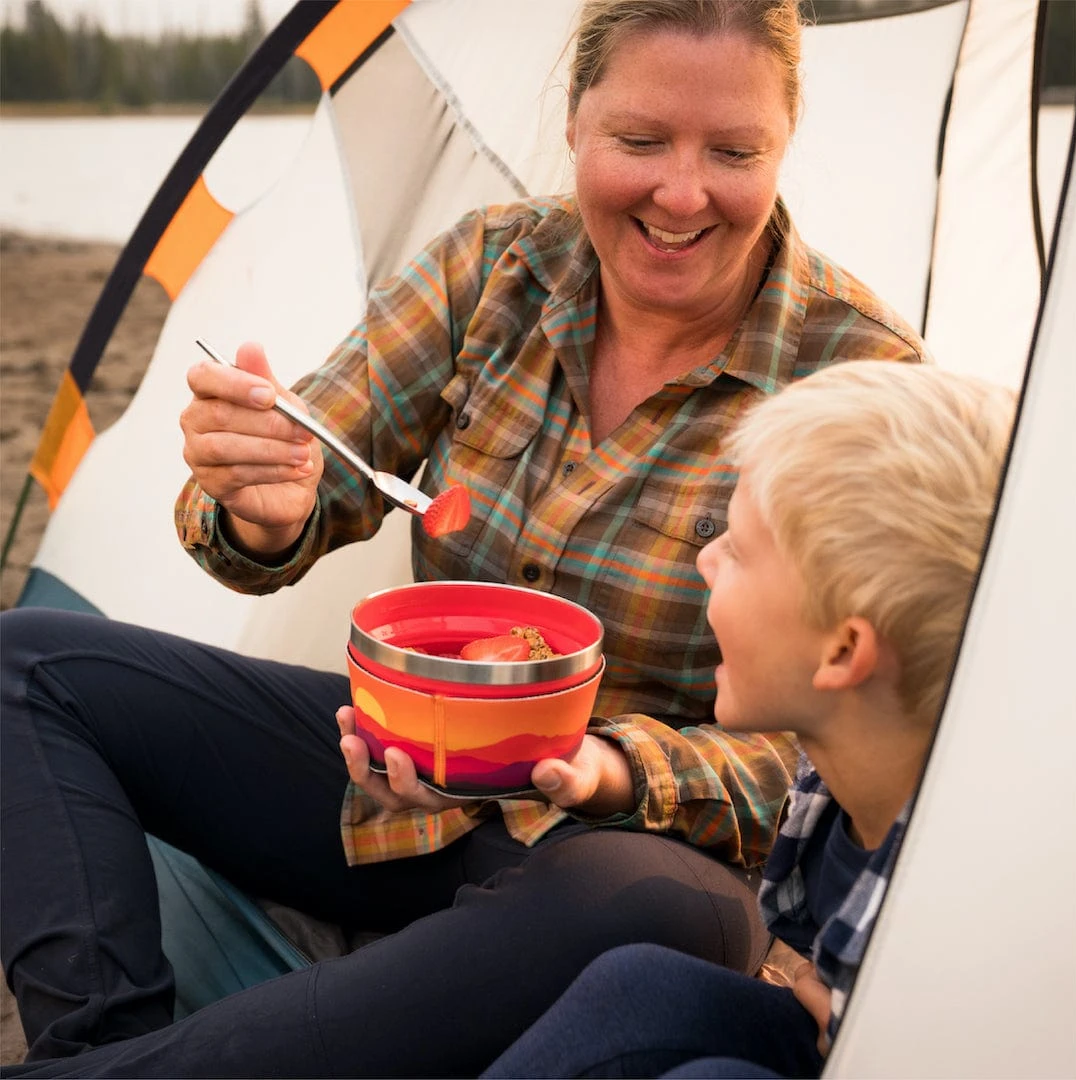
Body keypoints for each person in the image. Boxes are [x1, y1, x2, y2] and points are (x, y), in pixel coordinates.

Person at [0, 1, 928, 1076]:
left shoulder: (856, 378)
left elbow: (871, 746)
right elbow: (309, 461)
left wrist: (618, 766)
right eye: (639, 142)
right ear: (576, 123)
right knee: (27, 665)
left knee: (633, 917)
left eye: (734, 151)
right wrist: (266, 508)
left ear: (785, 142)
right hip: (402, 779)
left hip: (639, 859)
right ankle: (104, 1052)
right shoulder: (496, 269)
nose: (683, 193)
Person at [481, 360, 1017, 1079]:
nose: (704, 559)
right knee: (641, 988)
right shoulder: (835, 782)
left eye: (737, 549)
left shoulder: (970, 896)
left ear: (842, 650)